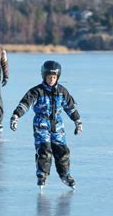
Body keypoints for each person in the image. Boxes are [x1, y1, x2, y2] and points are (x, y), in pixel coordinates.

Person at [9, 60, 83, 189]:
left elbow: (70, 108)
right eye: (49, 77)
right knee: (44, 150)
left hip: (58, 125)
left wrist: (77, 121)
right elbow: (25, 104)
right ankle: (42, 175)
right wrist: (16, 116)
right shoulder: (36, 91)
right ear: (44, 76)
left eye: (54, 77)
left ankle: (65, 174)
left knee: (62, 151)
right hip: (41, 124)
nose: (51, 80)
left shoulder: (62, 91)